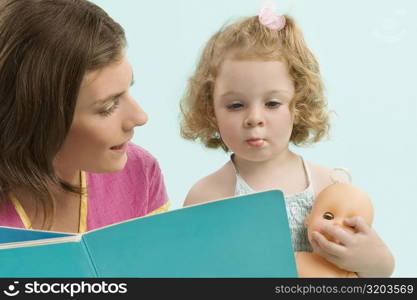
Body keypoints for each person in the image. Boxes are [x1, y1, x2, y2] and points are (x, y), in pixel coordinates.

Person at [180, 2, 394, 277]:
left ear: (298, 104)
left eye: (271, 103)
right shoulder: (209, 196)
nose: (254, 118)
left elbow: (372, 274)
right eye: (235, 105)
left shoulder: (327, 185)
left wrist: (375, 263)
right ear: (211, 109)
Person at [0, 0, 168, 234]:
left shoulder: (140, 172)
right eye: (108, 107)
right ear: (39, 121)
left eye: (128, 89)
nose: (140, 117)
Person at [295, 182, 374, 278]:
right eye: (328, 216)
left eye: (351, 226)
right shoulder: (294, 259)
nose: (338, 225)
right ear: (308, 219)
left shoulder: (348, 275)